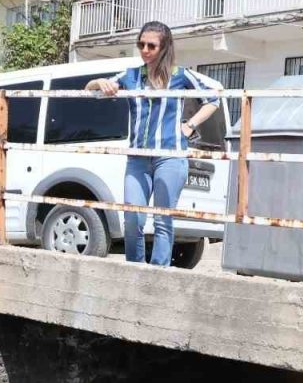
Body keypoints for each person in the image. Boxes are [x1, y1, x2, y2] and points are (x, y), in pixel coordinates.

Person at [87, 21, 222, 267]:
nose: (145, 50)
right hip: (137, 159)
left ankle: (159, 272)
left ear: (164, 47)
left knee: (163, 219)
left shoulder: (180, 75)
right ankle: (134, 269)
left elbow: (214, 98)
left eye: (151, 45)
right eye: (141, 44)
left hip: (170, 157)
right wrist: (99, 82)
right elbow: (89, 89)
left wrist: (189, 125)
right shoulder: (131, 76)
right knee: (133, 218)